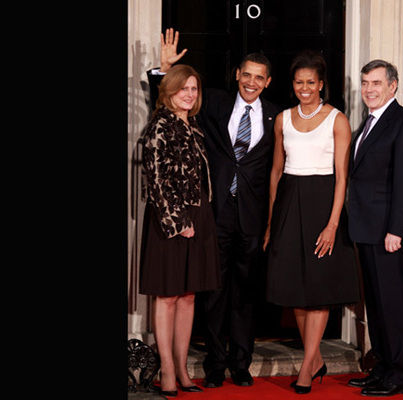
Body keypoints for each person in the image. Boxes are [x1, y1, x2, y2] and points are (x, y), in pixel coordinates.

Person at [147, 28, 281, 388]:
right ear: (237, 74)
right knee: (212, 292)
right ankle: (215, 363)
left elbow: (280, 170)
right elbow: (166, 110)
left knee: (245, 294)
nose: (251, 82)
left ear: (267, 82)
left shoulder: (276, 116)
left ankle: (241, 362)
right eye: (246, 74)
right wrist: (163, 70)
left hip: (251, 217)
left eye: (259, 77)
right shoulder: (213, 104)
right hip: (213, 215)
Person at [263, 50, 361, 395]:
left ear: (322, 84)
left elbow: (342, 178)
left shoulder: (337, 119)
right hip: (289, 202)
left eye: (311, 82)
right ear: (293, 84)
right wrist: (272, 222)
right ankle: (315, 358)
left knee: (317, 289)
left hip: (323, 204)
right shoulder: (282, 119)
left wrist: (333, 224)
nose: (305, 88)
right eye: (299, 82)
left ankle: (307, 367)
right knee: (295, 289)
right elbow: (275, 172)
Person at [139, 63, 221, 397]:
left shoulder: (195, 125)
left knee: (189, 296)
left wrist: (197, 219)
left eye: (193, 88)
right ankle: (168, 371)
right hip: (170, 221)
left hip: (199, 215)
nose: (189, 94)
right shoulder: (160, 125)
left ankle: (184, 368)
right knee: (169, 295)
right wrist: (178, 222)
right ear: (168, 92)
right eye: (182, 88)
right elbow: (156, 179)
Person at [346, 59, 403, 397]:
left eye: (376, 83)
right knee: (376, 304)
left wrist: (396, 230)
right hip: (367, 229)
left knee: (393, 305)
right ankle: (381, 367)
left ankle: (400, 373)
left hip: (388, 233)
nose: (369, 90)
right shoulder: (370, 121)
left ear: (392, 86)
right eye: (365, 83)